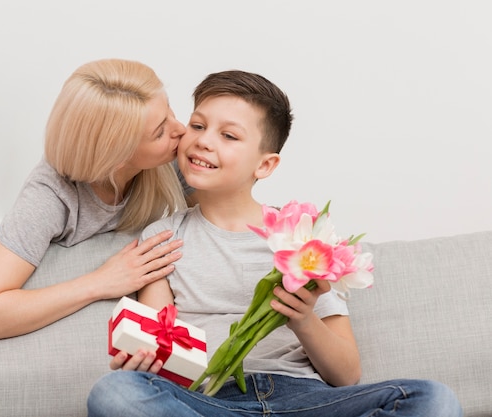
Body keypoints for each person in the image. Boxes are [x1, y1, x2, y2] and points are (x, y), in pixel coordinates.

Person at [87, 70, 463, 416]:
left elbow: (347, 375)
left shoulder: (304, 237)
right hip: (210, 402)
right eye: (197, 125)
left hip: (305, 400)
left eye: (228, 135)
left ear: (264, 165)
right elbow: (161, 342)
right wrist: (146, 362)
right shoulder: (163, 237)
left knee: (432, 398)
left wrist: (302, 319)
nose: (203, 140)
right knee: (117, 391)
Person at [0, 59, 189, 345]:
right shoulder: (49, 197)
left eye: (170, 110)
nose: (182, 129)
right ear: (116, 157)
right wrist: (99, 282)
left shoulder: (176, 154)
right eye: (160, 131)